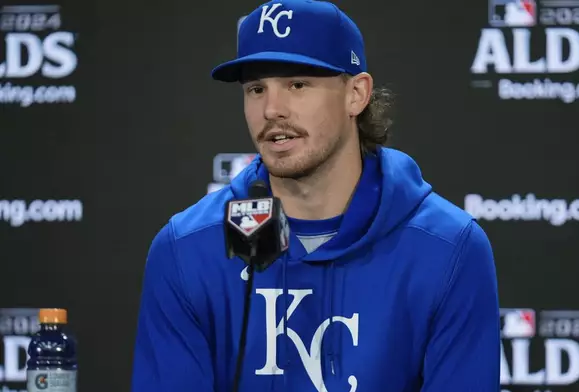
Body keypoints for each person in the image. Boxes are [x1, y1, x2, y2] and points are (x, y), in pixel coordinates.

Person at [131, 0, 501, 391]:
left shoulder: (448, 249)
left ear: (356, 95)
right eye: (256, 88)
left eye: (297, 84)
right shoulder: (187, 250)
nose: (272, 109)